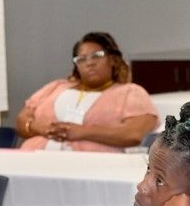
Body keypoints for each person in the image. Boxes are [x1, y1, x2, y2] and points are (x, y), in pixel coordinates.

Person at [15, 31, 158, 151]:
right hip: (34, 162)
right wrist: (41, 128)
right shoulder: (55, 87)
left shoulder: (130, 92)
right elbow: (21, 120)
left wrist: (82, 132)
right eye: (81, 59)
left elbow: (134, 134)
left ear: (113, 60)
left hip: (93, 166)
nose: (89, 63)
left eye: (97, 56)